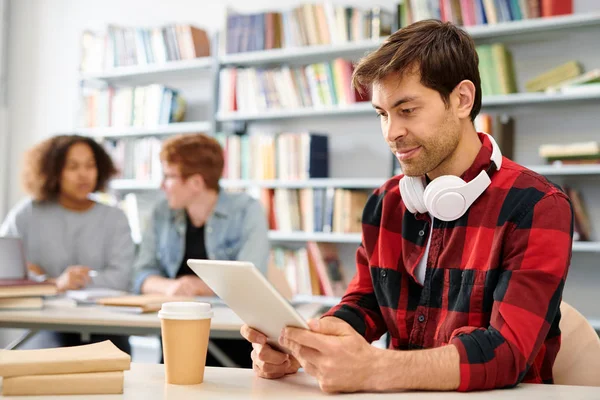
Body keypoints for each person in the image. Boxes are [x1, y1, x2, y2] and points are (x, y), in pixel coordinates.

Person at [241, 19, 574, 393]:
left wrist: (376, 370)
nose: (390, 133)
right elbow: (365, 304)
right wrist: (308, 346)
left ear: (462, 99)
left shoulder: (538, 205)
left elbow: (507, 353)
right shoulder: (387, 201)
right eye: (382, 114)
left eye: (407, 110)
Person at [132, 133, 270, 367]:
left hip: (235, 337)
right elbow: (139, 275)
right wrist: (172, 287)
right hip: (178, 329)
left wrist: (194, 286)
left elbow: (250, 282)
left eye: (168, 176)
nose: (161, 185)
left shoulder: (247, 210)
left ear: (196, 182)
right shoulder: (161, 213)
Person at [0, 134, 135, 353]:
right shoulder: (28, 212)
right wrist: (54, 282)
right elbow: (7, 269)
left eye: (90, 166)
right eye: (72, 167)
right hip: (45, 327)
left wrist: (50, 280)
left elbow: (121, 278)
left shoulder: (115, 217)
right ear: (54, 171)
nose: (83, 174)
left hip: (106, 326)